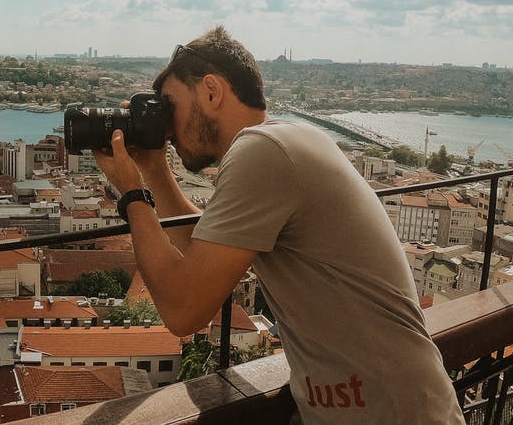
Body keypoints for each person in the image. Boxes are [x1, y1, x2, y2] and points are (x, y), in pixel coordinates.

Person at [93, 26, 463, 424]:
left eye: (169, 107)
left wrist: (132, 193)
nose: (164, 126)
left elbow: (184, 311)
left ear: (212, 92)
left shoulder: (262, 153)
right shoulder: (286, 139)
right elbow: (200, 252)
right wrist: (153, 170)